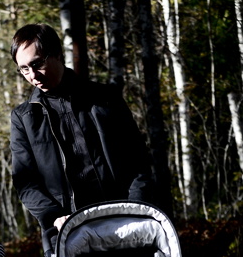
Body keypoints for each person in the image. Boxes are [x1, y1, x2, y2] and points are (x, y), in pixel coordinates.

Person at [9, 23, 156, 234]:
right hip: (67, 232)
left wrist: (135, 208)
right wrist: (54, 217)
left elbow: (138, 160)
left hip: (126, 222)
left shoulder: (106, 98)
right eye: (24, 69)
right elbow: (26, 183)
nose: (32, 75)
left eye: (38, 63)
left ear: (58, 54)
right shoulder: (22, 119)